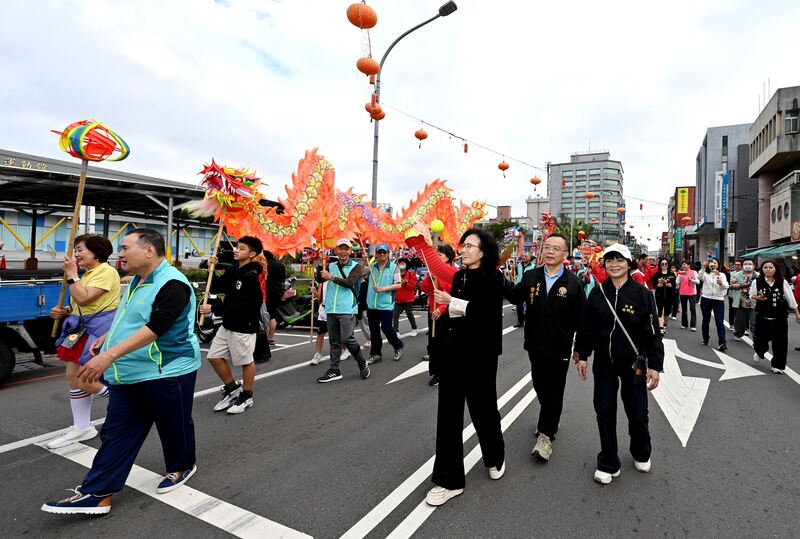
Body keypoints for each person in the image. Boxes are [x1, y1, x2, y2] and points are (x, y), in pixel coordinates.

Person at [42, 229, 200, 514]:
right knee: (117, 431)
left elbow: (157, 327)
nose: (120, 253)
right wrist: (107, 338)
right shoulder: (137, 281)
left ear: (149, 250)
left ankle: (182, 466)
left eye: (125, 247)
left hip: (167, 370)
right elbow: (128, 316)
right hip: (128, 372)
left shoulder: (172, 283)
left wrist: (108, 356)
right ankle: (97, 492)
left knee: (173, 423)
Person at [426, 228, 505, 507]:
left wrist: (453, 302)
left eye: (470, 245)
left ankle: (495, 455)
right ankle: (449, 479)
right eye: (463, 245)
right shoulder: (459, 276)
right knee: (447, 415)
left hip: (481, 355)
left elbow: (488, 316)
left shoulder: (495, 278)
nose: (463, 249)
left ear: (483, 251)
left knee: (483, 410)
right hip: (453, 353)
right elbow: (458, 314)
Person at [574, 243, 663, 485]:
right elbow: (586, 327)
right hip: (604, 363)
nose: (614, 264)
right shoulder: (597, 293)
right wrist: (582, 354)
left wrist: (655, 364)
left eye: (619, 260)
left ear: (629, 263)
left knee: (637, 413)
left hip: (633, 364)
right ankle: (608, 461)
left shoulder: (642, 294)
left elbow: (653, 331)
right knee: (604, 412)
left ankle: (641, 450)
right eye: (609, 260)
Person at [512, 233, 585, 462]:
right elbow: (514, 296)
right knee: (540, 386)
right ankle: (550, 417)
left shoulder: (573, 283)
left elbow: (582, 320)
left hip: (560, 348)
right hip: (535, 345)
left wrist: (581, 349)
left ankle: (545, 436)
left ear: (565, 255)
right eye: (547, 247)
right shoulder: (531, 276)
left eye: (556, 248)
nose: (550, 251)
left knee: (554, 391)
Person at [47, 234, 119, 449]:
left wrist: (71, 275)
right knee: (73, 377)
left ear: (96, 252)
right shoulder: (88, 274)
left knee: (86, 379)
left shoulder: (107, 271)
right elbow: (81, 304)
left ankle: (125, 403)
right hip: (81, 329)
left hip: (98, 331)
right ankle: (82, 426)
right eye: (76, 250)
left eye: (80, 250)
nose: (75, 254)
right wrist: (64, 311)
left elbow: (84, 298)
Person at [201, 236, 264, 414]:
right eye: (237, 247)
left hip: (244, 326)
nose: (236, 250)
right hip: (227, 324)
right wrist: (210, 268)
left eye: (242, 248)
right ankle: (231, 389)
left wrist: (214, 307)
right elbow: (215, 288)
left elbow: (245, 304)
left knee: (246, 361)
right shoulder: (234, 270)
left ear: (252, 254)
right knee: (213, 356)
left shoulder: (252, 275)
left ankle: (247, 395)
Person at [407, 226, 458, 386]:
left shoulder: (453, 273)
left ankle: (445, 372)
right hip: (432, 311)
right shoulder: (433, 271)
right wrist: (430, 277)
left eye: (440, 255)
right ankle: (436, 372)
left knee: (445, 344)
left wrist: (441, 309)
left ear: (449, 257)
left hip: (446, 313)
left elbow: (454, 296)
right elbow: (424, 289)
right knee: (433, 343)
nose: (437, 257)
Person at [316, 238, 370, 383]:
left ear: (350, 251)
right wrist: (320, 264)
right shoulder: (331, 265)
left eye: (346, 249)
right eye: (341, 248)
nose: (343, 252)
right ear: (336, 250)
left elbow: (349, 283)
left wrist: (331, 277)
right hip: (331, 308)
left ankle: (361, 361)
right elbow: (320, 279)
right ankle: (334, 370)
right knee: (334, 341)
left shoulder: (356, 267)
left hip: (347, 308)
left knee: (347, 339)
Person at [750, 260, 800, 374]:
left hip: (780, 319)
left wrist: (797, 312)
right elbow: (752, 295)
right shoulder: (757, 282)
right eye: (765, 267)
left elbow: (790, 298)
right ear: (762, 270)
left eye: (770, 267)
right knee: (759, 342)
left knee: (781, 343)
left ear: (775, 269)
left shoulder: (782, 282)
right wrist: (757, 298)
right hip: (762, 318)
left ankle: (778, 365)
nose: (768, 269)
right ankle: (759, 352)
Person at [365, 243, 404, 364]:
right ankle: (376, 353)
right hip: (372, 304)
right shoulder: (372, 266)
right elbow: (360, 273)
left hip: (386, 304)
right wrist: (363, 260)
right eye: (379, 252)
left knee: (387, 328)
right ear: (376, 254)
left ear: (388, 254)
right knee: (374, 330)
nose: (382, 254)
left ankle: (398, 345)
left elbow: (398, 284)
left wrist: (383, 289)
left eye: (384, 252)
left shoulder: (393, 267)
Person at [698, 258, 729, 351]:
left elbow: (727, 286)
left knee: (719, 322)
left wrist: (721, 284)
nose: (713, 264)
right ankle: (706, 338)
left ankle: (722, 342)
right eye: (711, 263)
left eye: (715, 263)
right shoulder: (706, 274)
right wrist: (703, 268)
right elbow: (699, 277)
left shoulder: (722, 274)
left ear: (718, 265)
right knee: (706, 320)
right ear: (708, 264)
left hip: (718, 300)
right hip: (706, 299)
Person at [730, 258, 757, 341]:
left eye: (749, 264)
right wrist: (743, 285)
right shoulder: (737, 275)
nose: (747, 266)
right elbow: (732, 286)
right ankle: (738, 334)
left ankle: (756, 338)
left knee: (754, 321)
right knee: (739, 320)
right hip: (741, 301)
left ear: (754, 266)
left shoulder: (758, 275)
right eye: (745, 264)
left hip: (754, 301)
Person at [264, 251, 285, 346]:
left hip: (266, 291)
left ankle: (264, 339)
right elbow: (283, 279)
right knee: (272, 315)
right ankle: (271, 338)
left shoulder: (264, 265)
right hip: (277, 292)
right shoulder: (280, 265)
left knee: (264, 314)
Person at [393, 258, 418, 336]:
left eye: (404, 263)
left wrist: (405, 283)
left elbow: (413, 286)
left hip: (408, 298)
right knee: (395, 315)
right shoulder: (395, 274)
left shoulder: (411, 274)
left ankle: (414, 328)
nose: (402, 264)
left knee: (409, 313)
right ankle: (396, 330)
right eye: (400, 263)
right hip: (397, 298)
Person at [652, 258, 677, 335]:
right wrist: (658, 285)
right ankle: (661, 327)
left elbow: (674, 285)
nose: (664, 265)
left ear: (668, 265)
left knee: (667, 312)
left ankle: (665, 326)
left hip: (669, 295)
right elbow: (654, 285)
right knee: (659, 311)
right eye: (662, 264)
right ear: (660, 265)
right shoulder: (657, 274)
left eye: (666, 264)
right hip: (659, 295)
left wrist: (670, 285)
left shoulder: (671, 274)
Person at [513, 251, 535, 327]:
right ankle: (520, 322)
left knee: (530, 305)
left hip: (529, 288)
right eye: (523, 256)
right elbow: (515, 274)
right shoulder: (518, 265)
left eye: (525, 256)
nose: (523, 257)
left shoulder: (533, 266)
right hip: (519, 287)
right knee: (519, 306)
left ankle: (528, 319)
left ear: (529, 257)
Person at [676, 261, 699, 331]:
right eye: (682, 264)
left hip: (692, 293)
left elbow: (698, 282)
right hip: (683, 293)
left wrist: (691, 280)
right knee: (684, 309)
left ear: (689, 265)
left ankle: (693, 325)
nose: (683, 266)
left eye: (685, 264)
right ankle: (684, 324)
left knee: (692, 308)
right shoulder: (680, 273)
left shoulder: (694, 272)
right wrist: (678, 275)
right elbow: (677, 282)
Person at [727, 260, 742, 327]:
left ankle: (744, 327)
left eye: (738, 264)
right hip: (732, 294)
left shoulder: (744, 274)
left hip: (742, 295)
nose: (736, 266)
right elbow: (729, 283)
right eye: (735, 264)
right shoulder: (731, 273)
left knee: (742, 310)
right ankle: (731, 324)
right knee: (732, 309)